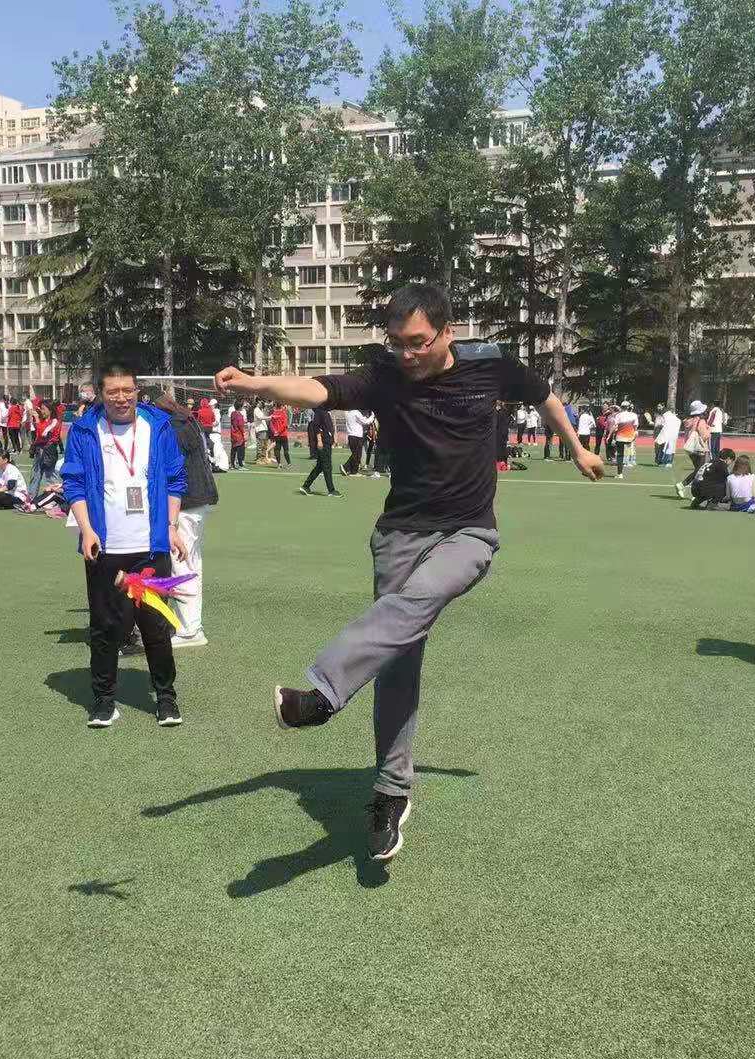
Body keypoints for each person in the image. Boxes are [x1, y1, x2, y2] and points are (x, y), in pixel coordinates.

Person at [214, 283, 603, 862]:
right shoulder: (387, 376)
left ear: (448, 332)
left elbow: (546, 397)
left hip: (468, 532)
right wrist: (255, 383)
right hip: (399, 534)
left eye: (418, 342)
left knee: (418, 599)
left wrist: (576, 447)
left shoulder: (491, 366)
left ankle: (323, 694)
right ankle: (391, 792)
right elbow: (319, 388)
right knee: (396, 662)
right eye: (397, 342)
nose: (407, 353)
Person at [60, 363, 187, 729]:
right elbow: (74, 483)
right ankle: (103, 701)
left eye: (127, 390)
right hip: (105, 548)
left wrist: (172, 527)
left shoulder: (158, 426)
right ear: (101, 394)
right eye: (112, 391)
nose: (121, 398)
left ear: (137, 391)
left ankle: (166, 698)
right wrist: (86, 529)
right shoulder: (85, 430)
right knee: (104, 628)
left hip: (151, 547)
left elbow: (174, 479)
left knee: (155, 627)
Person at [156, 393, 217, 647]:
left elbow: (171, 470)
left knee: (182, 565)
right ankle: (190, 625)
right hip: (197, 500)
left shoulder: (174, 428)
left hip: (186, 503)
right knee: (191, 563)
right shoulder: (187, 421)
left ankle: (190, 629)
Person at [302, 405, 341, 496]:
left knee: (319, 467)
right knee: (327, 466)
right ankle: (331, 490)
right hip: (324, 442)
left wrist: (334, 437)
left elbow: (328, 427)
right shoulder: (320, 411)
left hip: (327, 441)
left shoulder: (326, 412)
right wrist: (319, 441)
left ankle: (305, 486)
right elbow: (316, 427)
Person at [675, 401, 711, 498]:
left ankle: (689, 489)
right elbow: (705, 436)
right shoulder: (700, 421)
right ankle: (684, 485)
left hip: (691, 449)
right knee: (700, 471)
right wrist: (709, 430)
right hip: (700, 449)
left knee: (698, 470)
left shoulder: (689, 421)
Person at [30, 402, 63, 492]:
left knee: (50, 476)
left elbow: (43, 434)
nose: (42, 411)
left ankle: (55, 496)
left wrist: (37, 420)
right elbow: (37, 435)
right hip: (39, 451)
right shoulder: (43, 421)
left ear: (50, 410)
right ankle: (31, 497)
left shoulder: (54, 422)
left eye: (44, 409)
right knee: (35, 476)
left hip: (49, 451)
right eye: (41, 409)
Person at [613, 401, 639, 479]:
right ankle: (629, 463)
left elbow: (615, 427)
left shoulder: (618, 415)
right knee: (628, 452)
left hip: (620, 437)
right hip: (630, 437)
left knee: (620, 455)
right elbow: (635, 427)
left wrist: (613, 436)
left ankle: (620, 473)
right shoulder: (634, 415)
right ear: (628, 407)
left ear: (621, 407)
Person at [343, 407, 371, 474]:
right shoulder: (356, 413)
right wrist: (372, 416)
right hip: (357, 436)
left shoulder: (349, 413)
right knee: (357, 454)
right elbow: (366, 421)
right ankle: (346, 467)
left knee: (356, 454)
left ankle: (353, 470)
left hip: (351, 435)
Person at [229, 402, 248, 470]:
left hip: (233, 433)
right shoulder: (239, 415)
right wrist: (244, 433)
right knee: (240, 450)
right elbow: (240, 426)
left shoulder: (233, 413)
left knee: (233, 450)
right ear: (240, 407)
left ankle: (232, 464)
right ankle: (240, 465)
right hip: (239, 434)